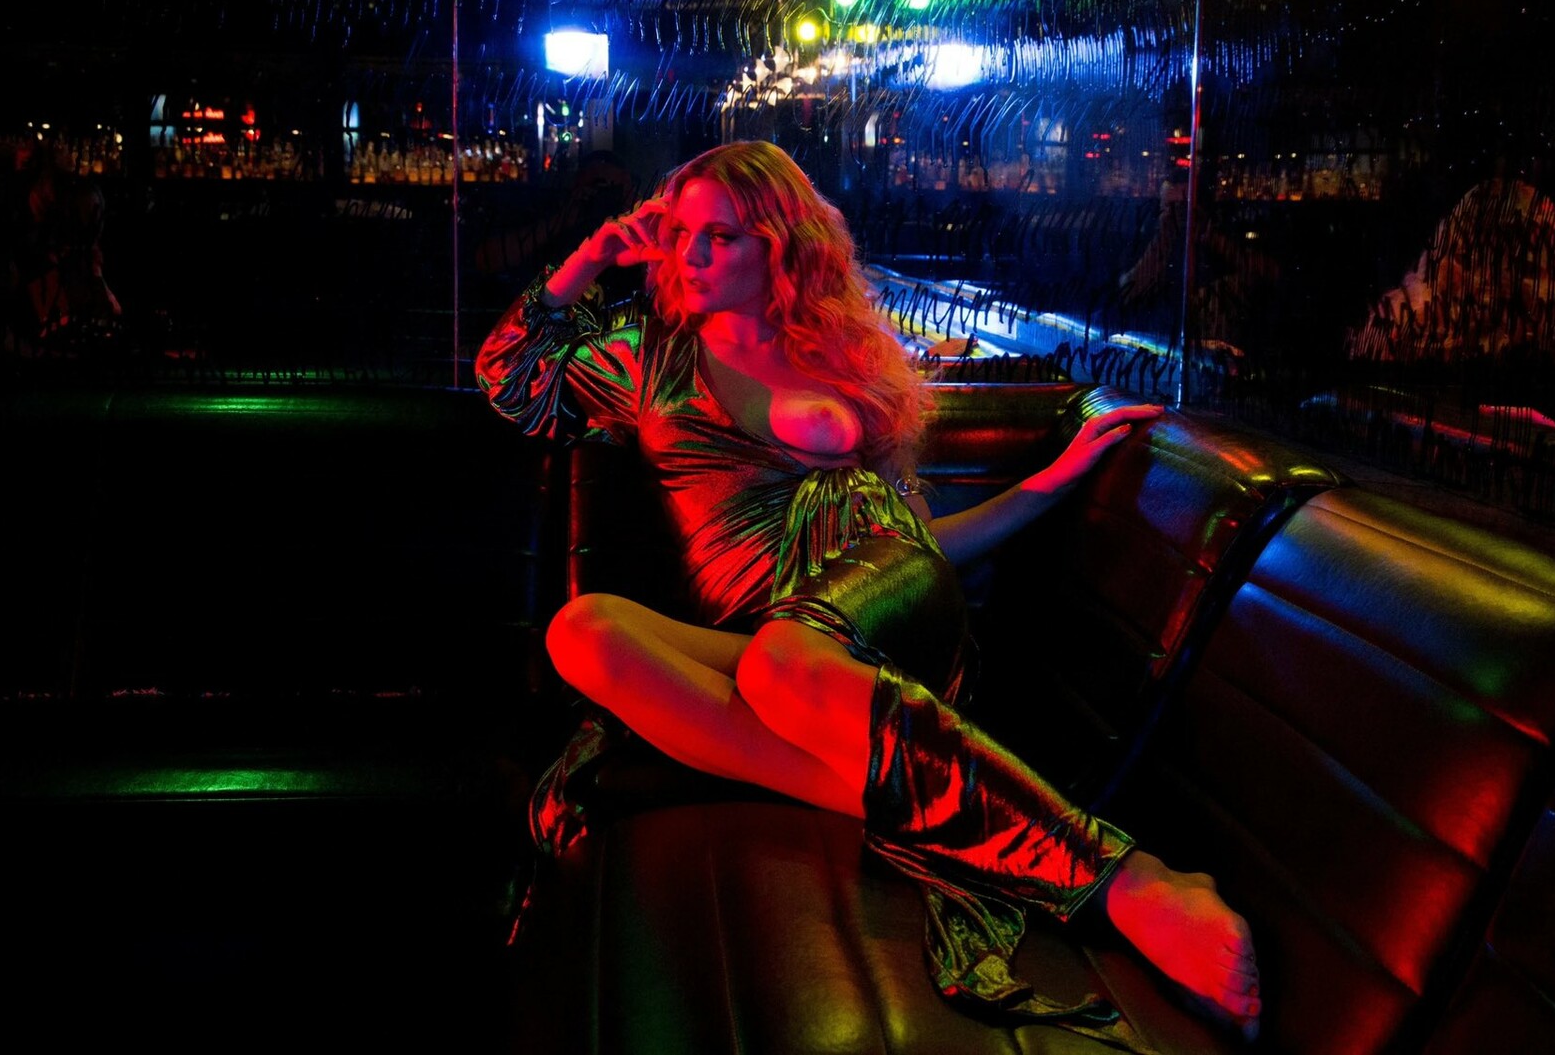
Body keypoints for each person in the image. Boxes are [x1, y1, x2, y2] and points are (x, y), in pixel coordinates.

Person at [476, 140, 1261, 1044]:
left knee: (782, 662)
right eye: (680, 233)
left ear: (780, 246)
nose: (691, 255)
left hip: (885, 597)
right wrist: (590, 258)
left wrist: (1051, 482)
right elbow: (509, 379)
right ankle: (938, 810)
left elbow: (923, 539)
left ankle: (1129, 880)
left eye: (720, 236)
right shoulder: (644, 357)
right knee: (582, 632)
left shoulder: (844, 355)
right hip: (767, 644)